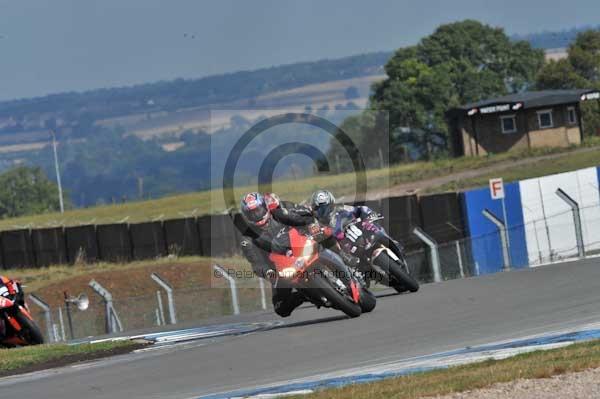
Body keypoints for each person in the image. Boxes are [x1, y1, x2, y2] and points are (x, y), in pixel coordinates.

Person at [239, 192, 314, 317]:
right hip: (282, 269)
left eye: (258, 210)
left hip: (303, 246)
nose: (257, 215)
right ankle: (305, 295)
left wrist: (310, 222)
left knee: (328, 237)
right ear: (246, 216)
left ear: (265, 206)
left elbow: (301, 216)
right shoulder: (247, 239)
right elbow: (256, 263)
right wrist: (269, 273)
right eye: (252, 213)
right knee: (281, 307)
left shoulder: (279, 212)